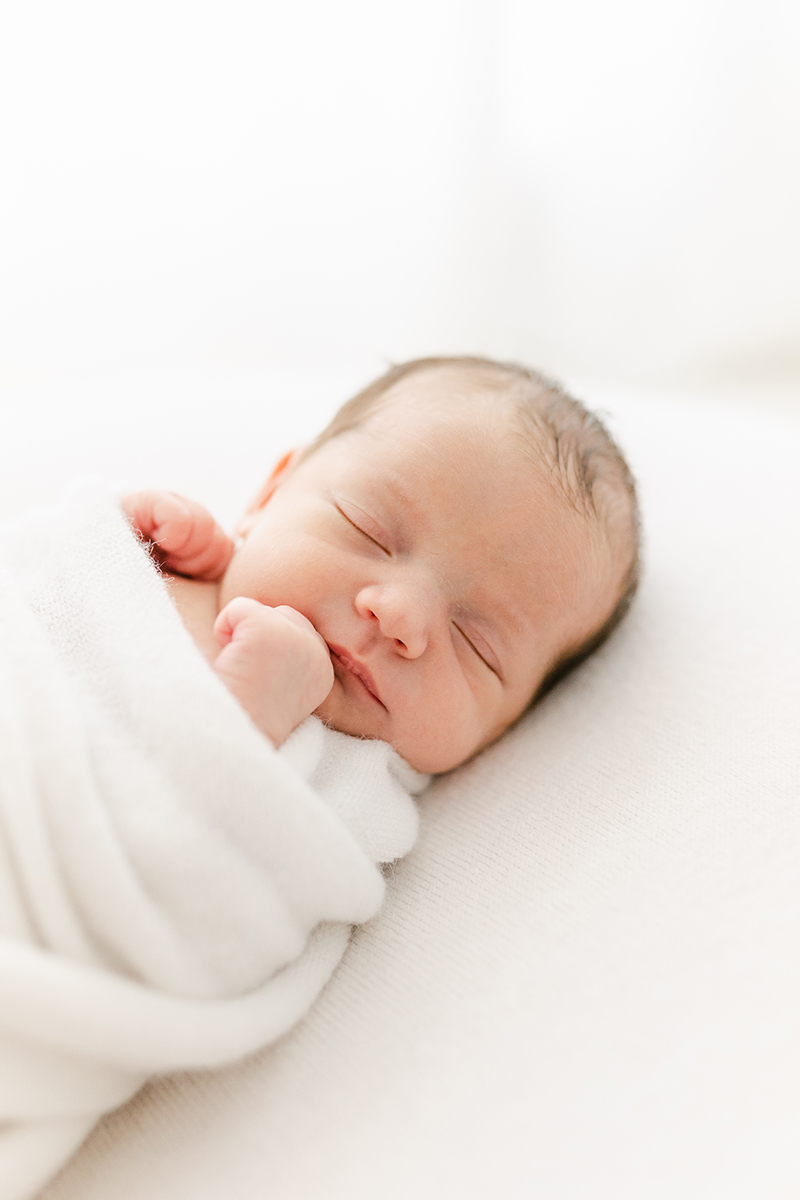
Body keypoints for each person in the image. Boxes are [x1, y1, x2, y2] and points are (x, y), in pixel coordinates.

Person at [123, 356, 639, 775]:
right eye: (366, 529)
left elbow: (189, 879)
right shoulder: (161, 558)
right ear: (270, 493)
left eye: (475, 644)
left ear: (501, 730)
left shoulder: (354, 788)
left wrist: (247, 719)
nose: (398, 615)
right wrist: (122, 541)